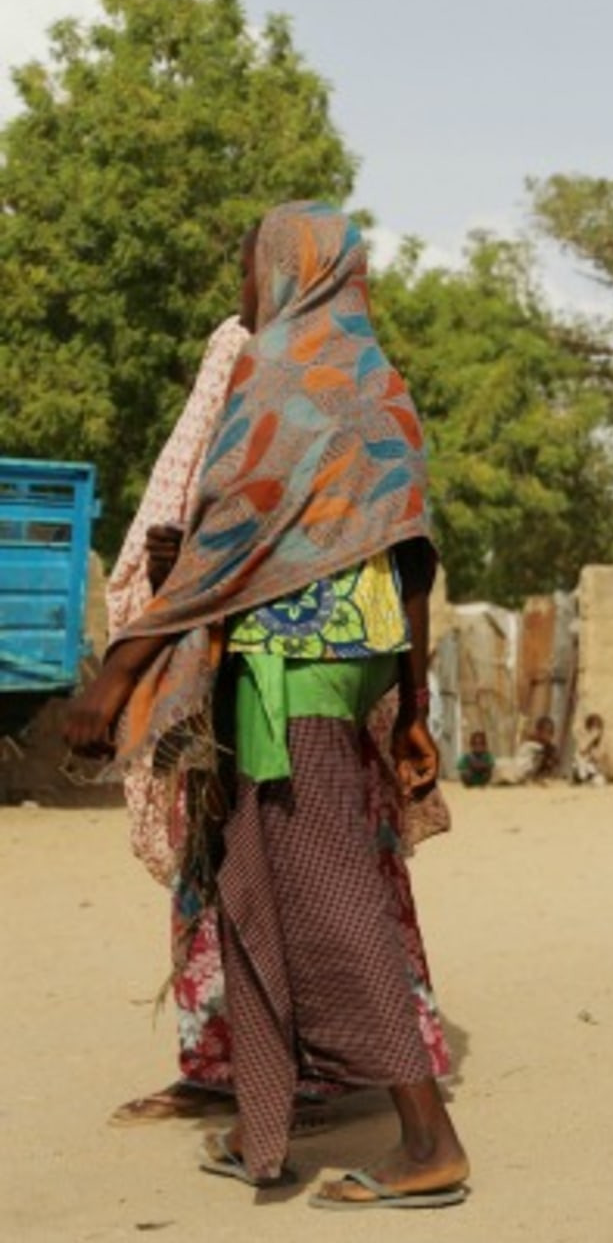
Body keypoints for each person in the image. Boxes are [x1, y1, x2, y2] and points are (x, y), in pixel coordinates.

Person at [63, 201, 468, 1206]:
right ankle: (263, 1119)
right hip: (355, 665)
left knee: (327, 891)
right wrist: (412, 706)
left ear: (290, 270)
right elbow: (415, 559)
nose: (246, 291)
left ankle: (430, 1139)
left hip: (293, 669)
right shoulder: (376, 382)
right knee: (257, 872)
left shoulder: (280, 373)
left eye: (252, 268)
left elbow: (222, 542)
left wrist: (120, 670)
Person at [569, 712, 613, 786]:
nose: (595, 730)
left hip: (598, 771)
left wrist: (611, 775)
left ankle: (587, 780)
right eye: (593, 727)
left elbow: (600, 757)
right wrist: (591, 738)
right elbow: (581, 751)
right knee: (579, 757)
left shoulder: (604, 742)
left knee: (598, 781)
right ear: (588, 729)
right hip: (586, 769)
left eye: (598, 727)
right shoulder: (585, 739)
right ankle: (580, 779)